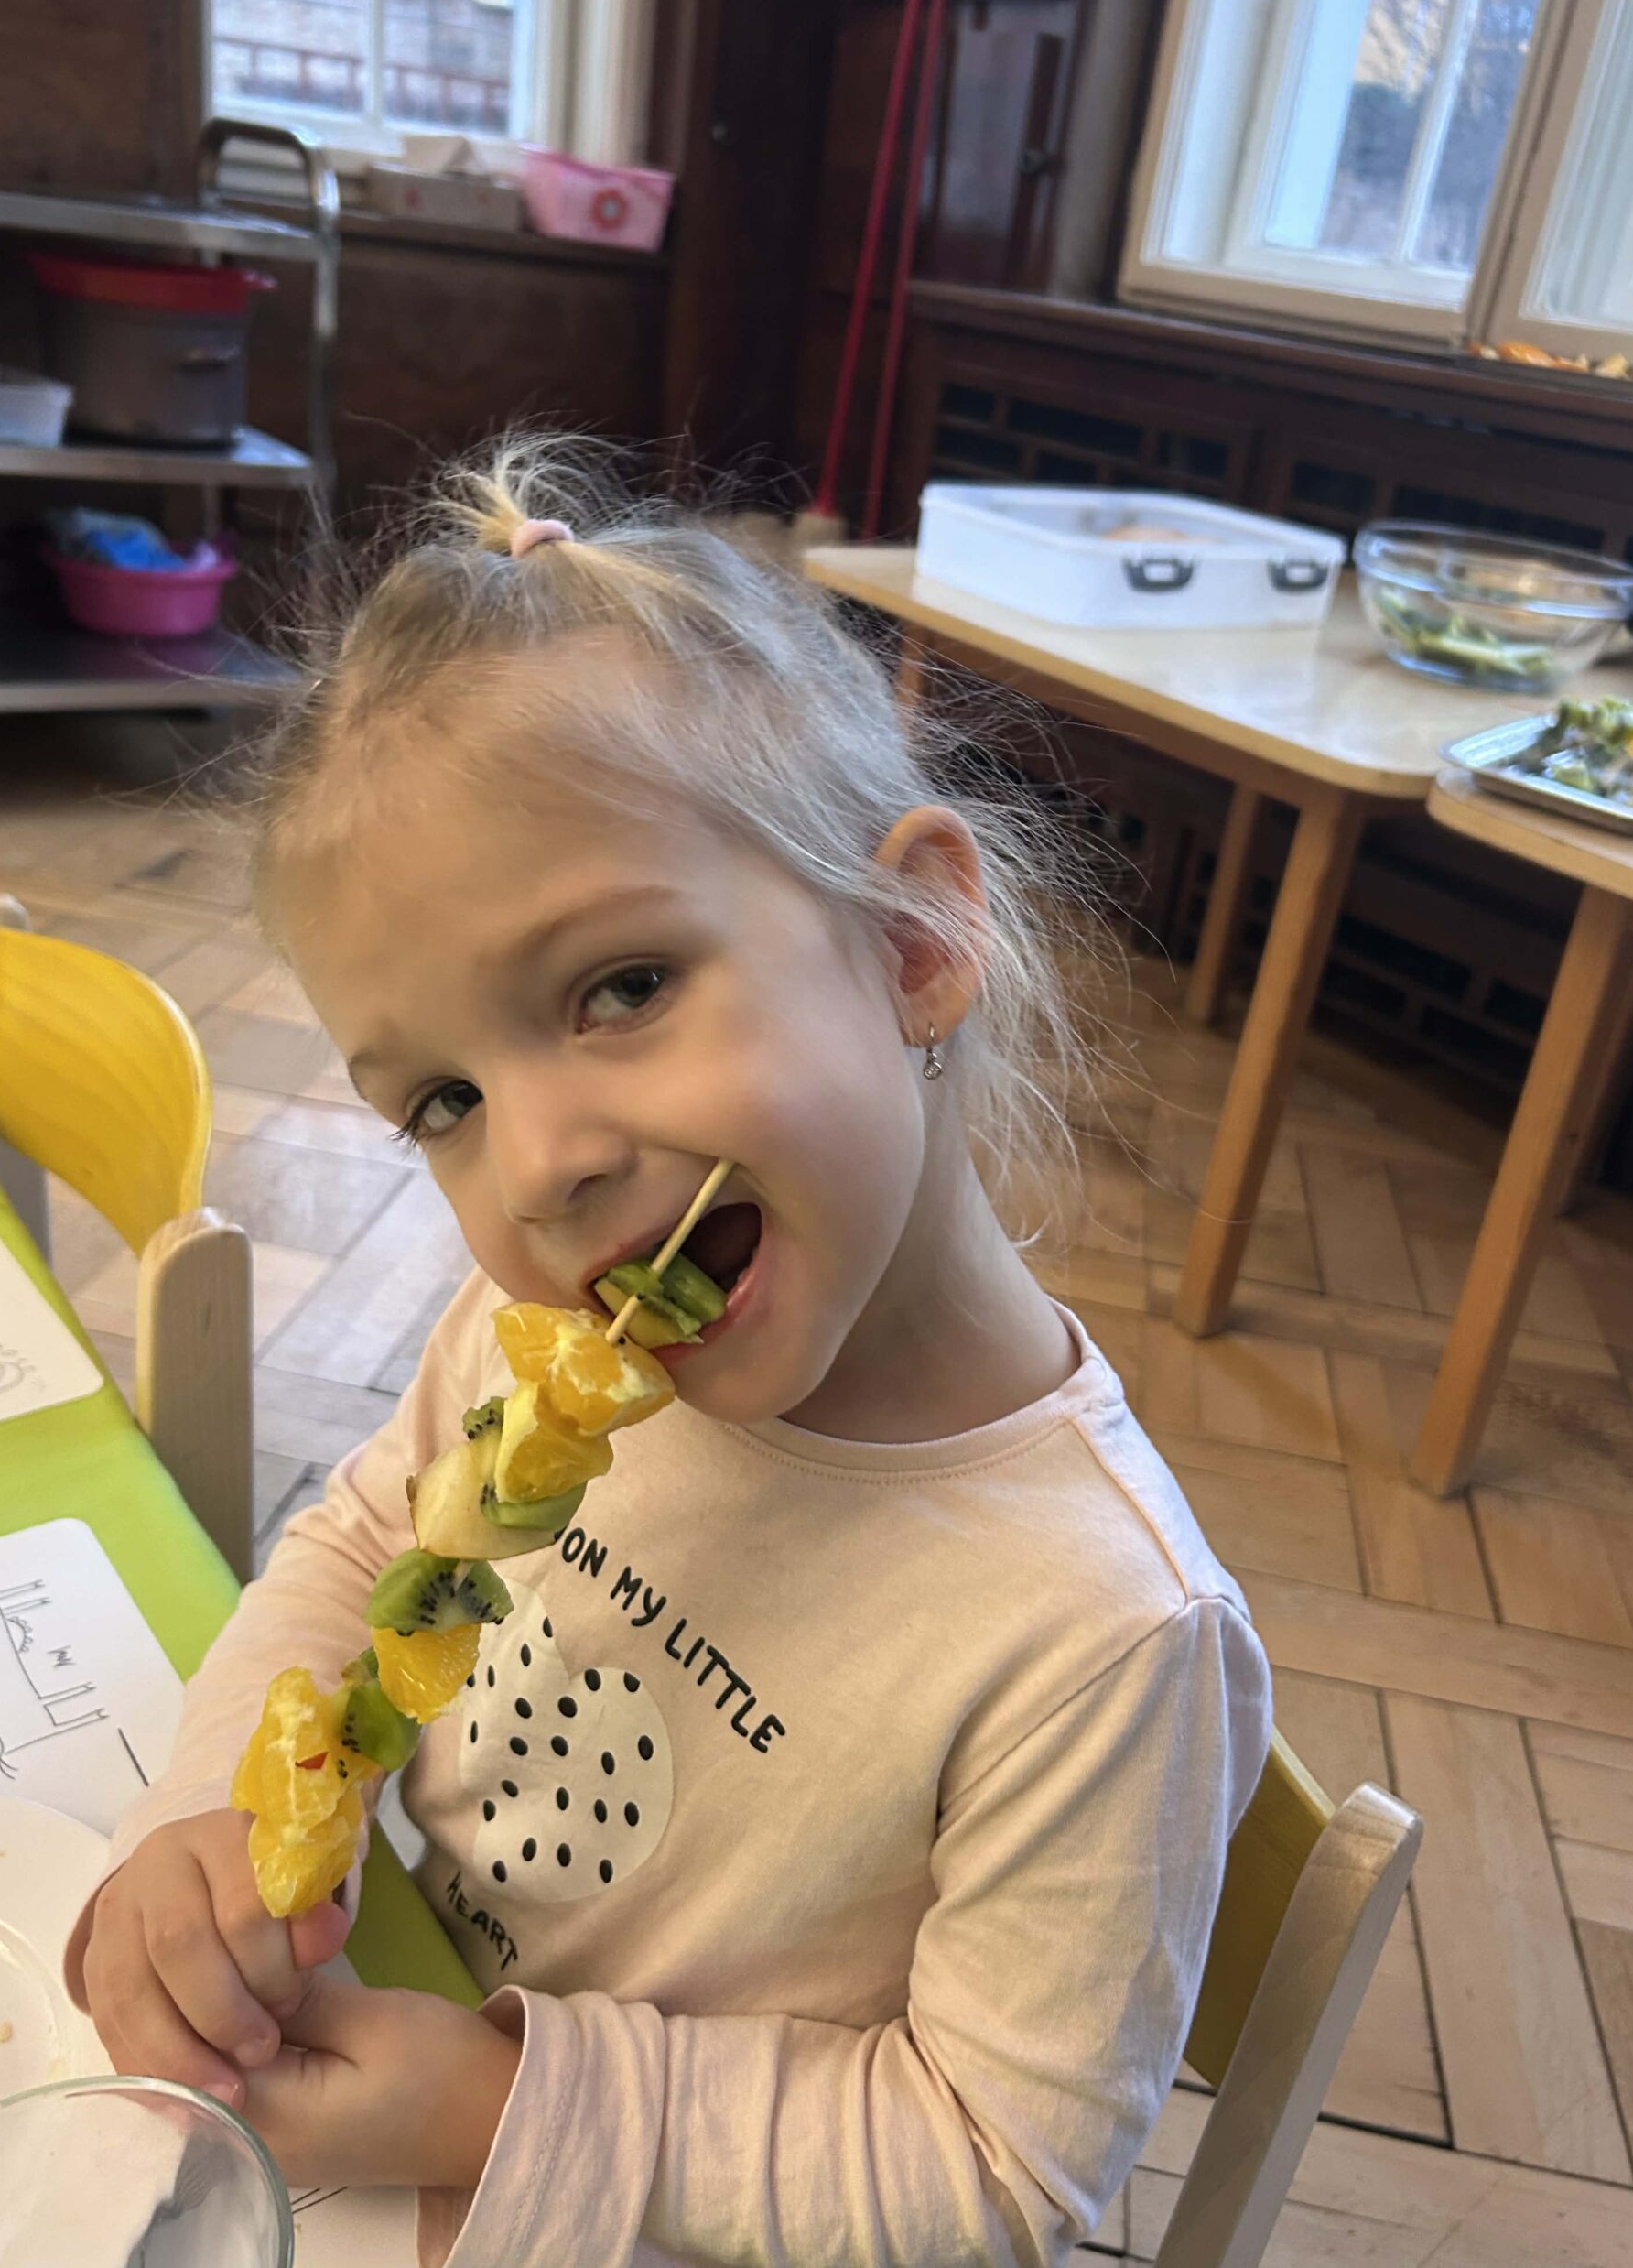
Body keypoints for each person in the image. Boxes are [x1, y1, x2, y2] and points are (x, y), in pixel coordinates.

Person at [64, 439, 1271, 2267]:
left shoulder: (1103, 1632)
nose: (536, 1167)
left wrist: (492, 2104)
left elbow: (996, 2176)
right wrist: (220, 1807)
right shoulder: (546, 1337)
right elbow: (360, 1546)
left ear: (914, 941)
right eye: (445, 1100)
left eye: (621, 987)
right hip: (402, 2086)